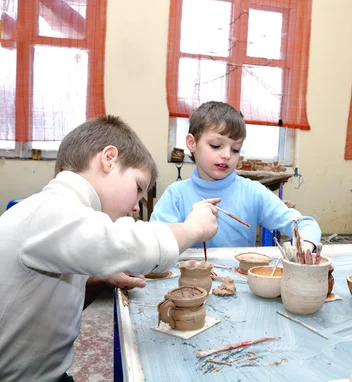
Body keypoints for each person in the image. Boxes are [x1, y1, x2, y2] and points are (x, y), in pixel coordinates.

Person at [0, 115, 219, 382]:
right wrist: (192, 228)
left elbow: (47, 310)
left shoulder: (64, 219)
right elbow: (123, 243)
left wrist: (99, 281)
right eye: (138, 187)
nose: (136, 207)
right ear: (109, 159)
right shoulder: (48, 210)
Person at [151, 101, 321, 250]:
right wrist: (190, 229)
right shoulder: (176, 195)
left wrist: (305, 245)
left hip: (238, 283)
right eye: (216, 145)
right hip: (189, 284)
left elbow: (305, 224)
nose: (226, 155)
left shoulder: (252, 192)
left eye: (235, 149)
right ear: (192, 143)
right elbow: (154, 243)